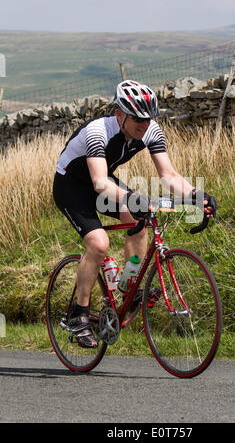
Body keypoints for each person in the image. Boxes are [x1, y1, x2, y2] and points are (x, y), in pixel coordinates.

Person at [53, 80, 216, 348]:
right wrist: (131, 198)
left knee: (140, 222)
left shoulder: (151, 130)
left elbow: (168, 175)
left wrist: (197, 196)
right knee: (98, 243)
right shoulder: (97, 132)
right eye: (138, 119)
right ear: (120, 114)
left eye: (148, 118)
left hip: (103, 181)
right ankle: (78, 315)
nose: (144, 124)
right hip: (72, 186)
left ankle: (128, 286)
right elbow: (99, 183)